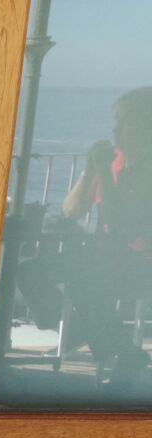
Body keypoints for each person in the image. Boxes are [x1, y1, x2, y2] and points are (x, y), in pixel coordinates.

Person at [16, 86, 152, 384]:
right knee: (30, 272)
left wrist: (102, 169)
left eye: (124, 122)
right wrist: (91, 170)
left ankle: (121, 351)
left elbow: (119, 222)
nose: (115, 130)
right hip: (107, 258)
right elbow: (71, 209)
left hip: (143, 263)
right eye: (115, 122)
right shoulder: (112, 160)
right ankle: (90, 335)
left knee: (86, 280)